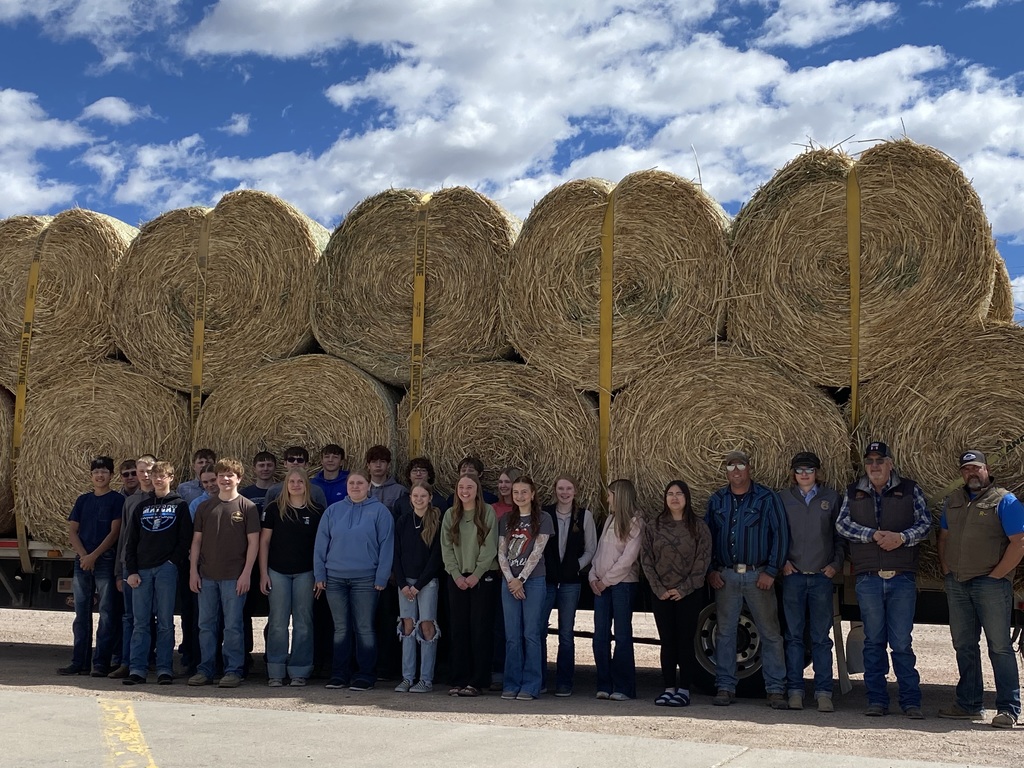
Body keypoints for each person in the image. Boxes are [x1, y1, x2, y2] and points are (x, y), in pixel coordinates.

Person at [836, 441, 930, 719]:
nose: (874, 466)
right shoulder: (854, 492)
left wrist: (901, 538)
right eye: (869, 461)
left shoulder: (911, 489)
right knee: (873, 642)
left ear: (890, 463)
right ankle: (876, 700)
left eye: (879, 460)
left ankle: (911, 702)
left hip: (901, 577)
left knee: (901, 643)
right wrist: (872, 535)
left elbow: (925, 524)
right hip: (868, 579)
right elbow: (842, 524)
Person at [936, 449, 1024, 728]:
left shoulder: (1004, 500)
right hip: (958, 583)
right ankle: (969, 704)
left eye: (976, 468)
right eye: (966, 470)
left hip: (991, 584)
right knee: (964, 645)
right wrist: (946, 568)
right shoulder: (954, 500)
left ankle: (1008, 708)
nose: (971, 474)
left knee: (999, 647)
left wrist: (998, 575)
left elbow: (1020, 541)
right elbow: (944, 536)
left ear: (986, 470)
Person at [706, 450, 789, 709]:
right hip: (727, 575)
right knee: (726, 634)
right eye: (731, 466)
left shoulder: (766, 498)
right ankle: (725, 686)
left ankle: (775, 689)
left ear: (749, 468)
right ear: (726, 471)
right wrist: (711, 570)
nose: (736, 470)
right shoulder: (717, 500)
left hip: (757, 575)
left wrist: (771, 571)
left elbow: (781, 535)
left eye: (741, 465)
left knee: (771, 633)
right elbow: (706, 537)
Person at [314, 469, 395, 691]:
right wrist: (320, 574)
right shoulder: (333, 511)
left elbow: (387, 545)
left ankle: (366, 675)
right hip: (335, 579)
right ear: (346, 486)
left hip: (366, 579)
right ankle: (339, 674)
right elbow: (321, 544)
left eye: (360, 483)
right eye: (352, 483)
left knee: (364, 627)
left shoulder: (380, 512)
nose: (356, 486)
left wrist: (382, 576)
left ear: (368, 486)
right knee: (340, 628)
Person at [780, 451, 844, 712]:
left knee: (820, 638)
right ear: (793, 474)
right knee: (793, 637)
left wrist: (835, 565)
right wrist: (782, 562)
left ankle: (823, 692)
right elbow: (777, 534)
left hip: (821, 578)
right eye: (799, 470)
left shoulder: (831, 498)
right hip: (793, 577)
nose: (804, 474)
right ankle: (795, 690)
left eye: (809, 469)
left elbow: (841, 536)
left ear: (817, 472)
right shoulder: (783, 499)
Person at [188, 458, 260, 689]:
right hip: (207, 575)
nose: (225, 479)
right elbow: (196, 542)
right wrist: (193, 572)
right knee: (206, 625)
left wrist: (246, 573)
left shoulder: (247, 507)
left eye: (230, 475)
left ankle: (233, 670)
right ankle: (205, 669)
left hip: (234, 577)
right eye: (221, 475)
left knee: (233, 626)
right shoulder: (204, 507)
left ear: (239, 478)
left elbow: (254, 544)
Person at [641, 479, 711, 708]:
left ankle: (684, 689)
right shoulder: (654, 526)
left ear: (687, 498)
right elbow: (646, 560)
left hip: (688, 594)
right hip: (661, 594)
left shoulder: (698, 527)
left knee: (685, 641)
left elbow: (703, 561)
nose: (674, 498)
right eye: (670, 493)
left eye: (679, 494)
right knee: (667, 641)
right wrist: (659, 589)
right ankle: (668, 687)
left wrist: (684, 589)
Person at [122, 461, 192, 685]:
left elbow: (185, 539)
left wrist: (173, 562)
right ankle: (137, 669)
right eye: (155, 476)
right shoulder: (142, 507)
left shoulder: (180, 505)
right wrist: (131, 570)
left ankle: (164, 668)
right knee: (141, 621)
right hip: (142, 569)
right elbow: (130, 541)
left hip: (166, 569)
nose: (158, 480)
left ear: (171, 478)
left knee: (165, 621)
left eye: (163, 476)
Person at [59, 456, 124, 677]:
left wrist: (94, 555)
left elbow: (115, 532)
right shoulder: (83, 500)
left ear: (111, 475)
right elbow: (72, 531)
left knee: (106, 613)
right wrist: (84, 556)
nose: (100, 475)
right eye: (96, 472)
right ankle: (79, 661)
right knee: (81, 613)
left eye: (104, 471)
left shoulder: (117, 500)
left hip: (104, 560)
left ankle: (101, 663)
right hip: (83, 561)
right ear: (91, 476)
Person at [260, 467, 324, 687]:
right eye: (292, 481)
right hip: (277, 572)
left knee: (303, 622)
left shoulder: (317, 511)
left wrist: (319, 575)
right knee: (277, 622)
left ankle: (300, 670)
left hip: (306, 573)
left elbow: (321, 546)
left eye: (300, 481)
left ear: (307, 485)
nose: (296, 485)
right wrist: (263, 574)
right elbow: (264, 543)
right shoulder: (273, 509)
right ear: (285, 485)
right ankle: (275, 670)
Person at [440, 473, 499, 697]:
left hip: (483, 578)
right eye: (461, 487)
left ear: (477, 489)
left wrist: (477, 574)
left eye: (470, 487)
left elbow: (490, 546)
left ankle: (478, 680)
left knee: (480, 629)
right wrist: (455, 574)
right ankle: (459, 679)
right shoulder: (450, 515)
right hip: (457, 578)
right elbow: (446, 547)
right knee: (458, 629)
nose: (465, 491)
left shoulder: (488, 512)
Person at [497, 475, 553, 701]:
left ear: (532, 494)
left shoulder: (543, 518)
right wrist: (511, 579)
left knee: (531, 633)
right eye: (515, 492)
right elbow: (501, 552)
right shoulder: (506, 519)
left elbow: (537, 552)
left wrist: (521, 578)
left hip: (534, 580)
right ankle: (511, 682)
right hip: (509, 582)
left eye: (523, 492)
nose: (519, 496)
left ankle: (531, 684)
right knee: (512, 635)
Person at [541, 473, 597, 697]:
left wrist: (577, 566)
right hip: (545, 581)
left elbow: (591, 549)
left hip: (571, 583)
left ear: (575, 491)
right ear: (555, 490)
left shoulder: (584, 516)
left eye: (569, 489)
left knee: (566, 632)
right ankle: (541, 679)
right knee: (539, 630)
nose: (564, 493)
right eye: (561, 489)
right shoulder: (545, 514)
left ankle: (565, 682)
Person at [589, 478, 643, 701]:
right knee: (600, 635)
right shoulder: (610, 519)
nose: (608, 498)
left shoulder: (635, 522)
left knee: (622, 636)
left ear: (619, 496)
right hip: (601, 584)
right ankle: (604, 683)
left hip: (622, 585)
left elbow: (627, 560)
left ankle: (623, 686)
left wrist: (606, 580)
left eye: (610, 494)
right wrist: (593, 575)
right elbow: (600, 552)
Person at [392, 481, 444, 693]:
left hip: (427, 583)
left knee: (426, 626)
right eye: (416, 496)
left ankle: (425, 678)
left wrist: (420, 584)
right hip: (405, 584)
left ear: (430, 497)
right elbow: (395, 553)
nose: (419, 499)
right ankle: (407, 677)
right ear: (410, 498)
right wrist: (403, 583)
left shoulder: (436, 522)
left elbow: (436, 558)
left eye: (423, 496)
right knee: (407, 626)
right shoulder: (403, 521)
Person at [109, 454, 156, 679]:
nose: (144, 475)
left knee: (155, 617)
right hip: (131, 567)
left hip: (155, 566)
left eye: (149, 470)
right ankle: (128, 662)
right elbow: (124, 539)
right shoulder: (129, 502)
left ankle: (152, 660)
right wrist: (120, 571)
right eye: (141, 471)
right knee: (130, 617)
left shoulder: (164, 499)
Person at [366, 445, 408, 512]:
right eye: (374, 461)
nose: (378, 465)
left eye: (382, 461)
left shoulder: (400, 491)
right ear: (368, 465)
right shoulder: (361, 490)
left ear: (388, 465)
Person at [241, 451, 278, 516]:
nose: (265, 469)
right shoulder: (244, 494)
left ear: (275, 468)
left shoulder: (282, 492)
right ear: (254, 469)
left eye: (269, 465)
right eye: (261, 465)